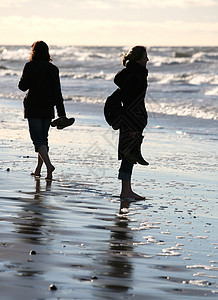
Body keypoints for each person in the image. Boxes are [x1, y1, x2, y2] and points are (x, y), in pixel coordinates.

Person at [18, 41, 67, 180]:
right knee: (43, 139)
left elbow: (22, 86)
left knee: (37, 140)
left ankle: (49, 166)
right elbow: (58, 93)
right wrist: (61, 114)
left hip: (33, 107)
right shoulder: (53, 69)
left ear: (34, 52)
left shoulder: (30, 66)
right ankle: (40, 169)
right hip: (48, 108)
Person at [114, 46, 149, 200]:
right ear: (137, 59)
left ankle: (127, 190)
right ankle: (125, 191)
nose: (147, 60)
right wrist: (134, 125)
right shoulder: (135, 76)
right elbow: (132, 102)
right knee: (129, 155)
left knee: (130, 154)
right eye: (144, 57)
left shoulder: (130, 74)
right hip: (132, 119)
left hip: (130, 118)